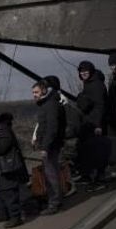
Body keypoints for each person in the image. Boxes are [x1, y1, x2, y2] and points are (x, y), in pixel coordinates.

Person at [0, 109, 29, 228]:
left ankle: (15, 217)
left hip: (5, 166)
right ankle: (2, 213)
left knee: (8, 191)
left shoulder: (2, 128)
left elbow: (4, 144)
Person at [32, 80, 67, 215]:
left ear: (44, 91)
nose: (34, 95)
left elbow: (52, 128)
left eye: (36, 92)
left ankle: (54, 203)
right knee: (51, 172)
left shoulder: (50, 105)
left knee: (51, 174)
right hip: (50, 145)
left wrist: (45, 147)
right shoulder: (47, 104)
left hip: (51, 146)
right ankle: (55, 200)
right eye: (33, 92)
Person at [75, 60, 110, 191]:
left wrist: (98, 125)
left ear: (91, 71)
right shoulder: (89, 84)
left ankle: (99, 179)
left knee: (97, 152)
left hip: (95, 125)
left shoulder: (96, 85)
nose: (83, 73)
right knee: (89, 151)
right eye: (81, 71)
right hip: (89, 123)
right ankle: (89, 176)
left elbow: (100, 106)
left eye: (85, 71)